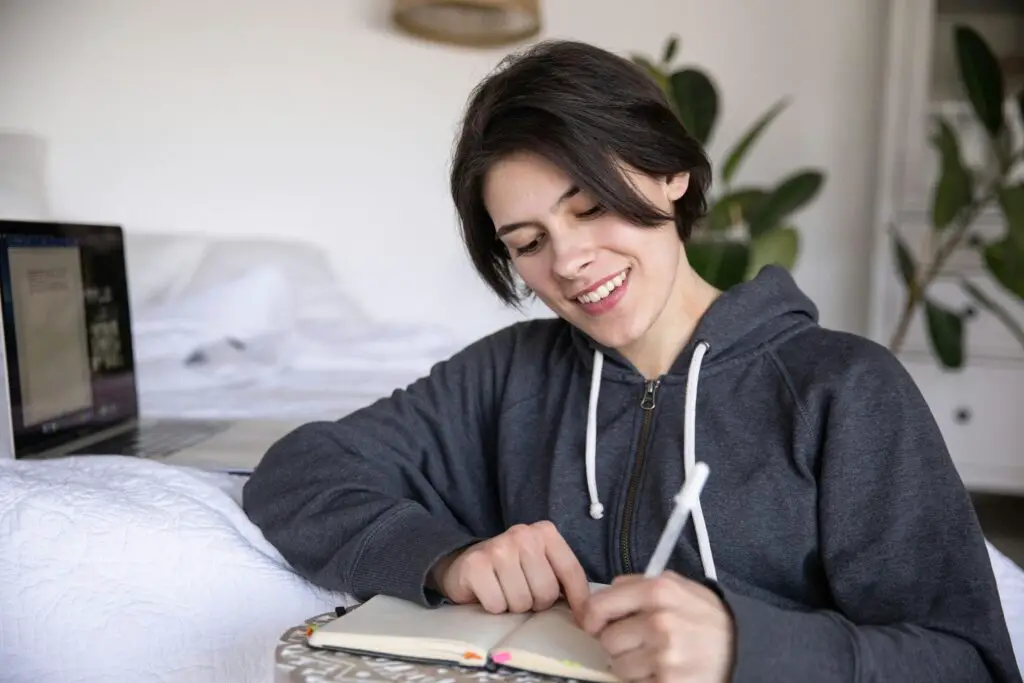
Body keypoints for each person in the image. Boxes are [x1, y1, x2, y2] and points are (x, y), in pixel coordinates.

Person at [242, 39, 1021, 683]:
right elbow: (297, 471)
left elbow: (971, 663)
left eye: (590, 208)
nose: (571, 261)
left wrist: (747, 650)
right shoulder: (509, 377)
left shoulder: (843, 390)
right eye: (530, 243)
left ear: (670, 172)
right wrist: (446, 559)